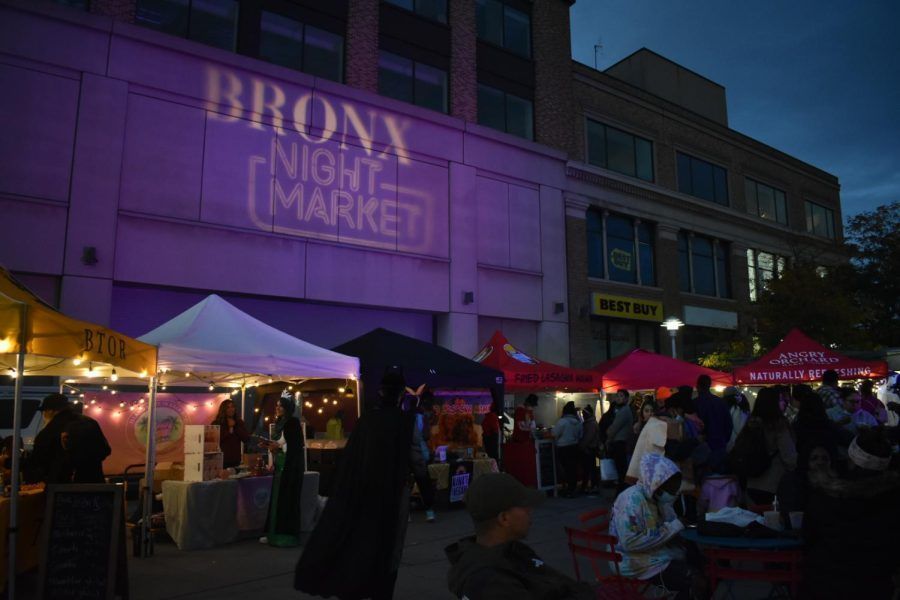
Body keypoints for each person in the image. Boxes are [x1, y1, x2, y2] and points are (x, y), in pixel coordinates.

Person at [295, 366, 422, 600]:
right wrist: (427, 491)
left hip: (366, 491)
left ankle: (357, 584)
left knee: (362, 539)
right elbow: (416, 458)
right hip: (393, 494)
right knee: (390, 546)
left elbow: (352, 455)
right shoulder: (405, 422)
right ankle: (381, 592)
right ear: (400, 395)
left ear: (381, 393)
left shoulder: (368, 420)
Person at [445, 472, 594, 600]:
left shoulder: (513, 550)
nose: (530, 510)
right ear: (504, 518)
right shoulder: (490, 581)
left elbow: (562, 584)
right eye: (523, 506)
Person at [801, 428, 900, 599]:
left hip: (826, 583)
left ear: (852, 458)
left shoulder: (826, 495)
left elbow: (809, 537)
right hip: (876, 585)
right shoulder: (892, 499)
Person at [609, 454, 705, 600]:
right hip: (633, 562)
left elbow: (670, 525)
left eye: (675, 489)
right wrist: (673, 528)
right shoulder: (631, 501)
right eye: (671, 489)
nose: (674, 493)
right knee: (694, 581)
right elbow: (630, 542)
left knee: (704, 566)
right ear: (656, 484)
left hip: (655, 555)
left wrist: (676, 531)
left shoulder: (658, 500)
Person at [260, 393, 304, 547]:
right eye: (276, 405)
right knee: (277, 499)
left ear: (287, 408)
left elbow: (295, 446)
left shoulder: (293, 423)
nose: (277, 408)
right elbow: (280, 443)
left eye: (281, 405)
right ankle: (273, 534)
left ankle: (285, 536)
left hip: (289, 467)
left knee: (286, 500)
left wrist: (278, 446)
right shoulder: (280, 422)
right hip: (280, 466)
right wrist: (270, 446)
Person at [745, 387, 797, 505]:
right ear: (773, 403)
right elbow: (789, 456)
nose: (784, 402)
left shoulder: (750, 423)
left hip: (751, 481)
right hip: (774, 483)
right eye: (780, 400)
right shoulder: (779, 425)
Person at [24, 393, 79, 484]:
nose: (43, 415)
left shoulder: (50, 430)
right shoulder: (88, 422)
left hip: (60, 483)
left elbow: (37, 459)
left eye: (44, 411)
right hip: (93, 484)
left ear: (50, 411)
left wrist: (11, 463)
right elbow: (106, 450)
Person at [694, 375, 732, 472]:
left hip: (702, 447)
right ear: (709, 385)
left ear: (697, 386)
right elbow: (729, 424)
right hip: (720, 445)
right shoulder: (720, 402)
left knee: (703, 481)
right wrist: (724, 439)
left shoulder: (695, 403)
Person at [62, 411, 111, 483]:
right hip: (97, 479)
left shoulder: (68, 425)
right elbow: (106, 450)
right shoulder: (91, 422)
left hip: (77, 481)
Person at [606, 389, 634, 494]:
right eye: (617, 396)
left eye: (621, 396)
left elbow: (614, 428)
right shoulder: (621, 410)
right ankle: (622, 490)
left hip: (620, 442)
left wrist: (608, 433)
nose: (618, 398)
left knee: (621, 469)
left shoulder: (624, 411)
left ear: (626, 399)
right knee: (621, 468)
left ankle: (622, 491)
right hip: (620, 442)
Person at [552, 401, 582, 498]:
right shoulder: (578, 422)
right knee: (572, 469)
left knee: (565, 469)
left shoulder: (562, 421)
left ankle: (568, 489)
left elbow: (554, 434)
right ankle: (572, 488)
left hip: (563, 448)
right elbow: (580, 435)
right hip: (575, 447)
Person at [212, 399, 252, 468]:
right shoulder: (217, 423)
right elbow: (215, 440)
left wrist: (235, 427)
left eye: (232, 407)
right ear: (223, 409)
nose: (231, 409)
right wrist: (229, 429)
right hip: (221, 460)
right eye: (228, 407)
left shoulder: (239, 422)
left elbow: (246, 438)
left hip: (236, 460)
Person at [577, 405, 600, 493]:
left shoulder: (590, 424)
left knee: (588, 469)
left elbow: (588, 438)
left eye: (583, 413)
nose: (582, 415)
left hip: (589, 449)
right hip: (590, 448)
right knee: (590, 468)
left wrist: (581, 446)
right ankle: (591, 485)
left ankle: (590, 486)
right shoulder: (591, 423)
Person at [723, 386, 749, 451]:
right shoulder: (737, 409)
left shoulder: (722, 408)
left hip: (725, 445)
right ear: (734, 396)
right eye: (737, 395)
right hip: (735, 445)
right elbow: (740, 428)